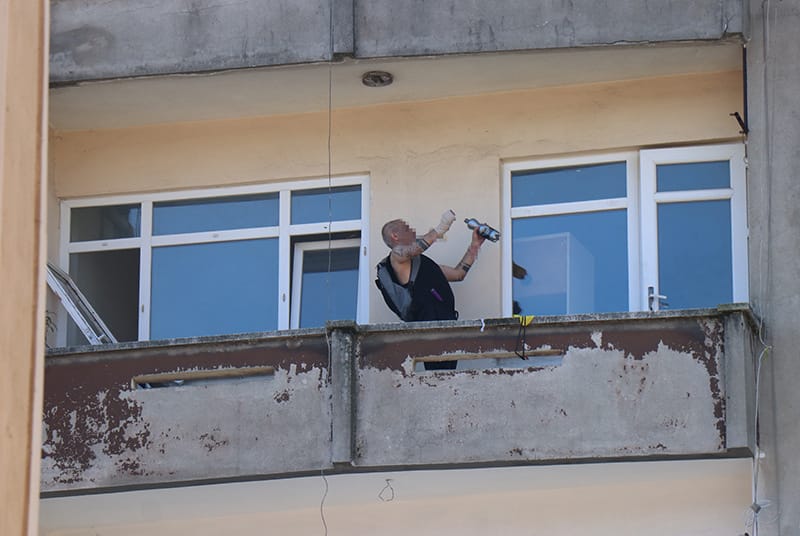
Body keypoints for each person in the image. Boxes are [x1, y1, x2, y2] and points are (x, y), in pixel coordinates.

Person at [377, 210, 485, 370]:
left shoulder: (423, 264)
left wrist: (475, 245)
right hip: (430, 329)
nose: (412, 231)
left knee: (447, 375)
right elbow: (412, 250)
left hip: (447, 325)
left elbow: (458, 274)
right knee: (438, 376)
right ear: (395, 236)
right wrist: (441, 228)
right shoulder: (396, 256)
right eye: (406, 229)